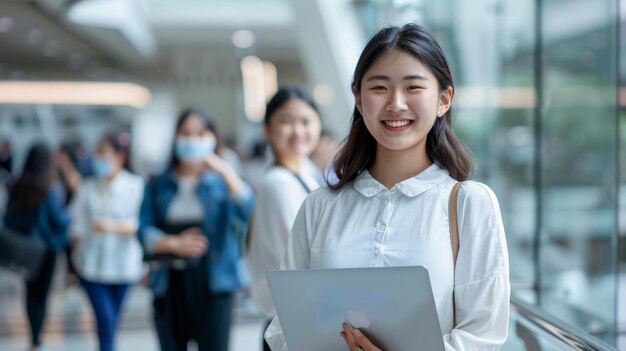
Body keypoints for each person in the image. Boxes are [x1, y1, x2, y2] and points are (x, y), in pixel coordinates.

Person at [265, 23, 510, 351]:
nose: (395, 104)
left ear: (444, 99)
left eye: (413, 87)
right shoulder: (320, 206)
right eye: (379, 88)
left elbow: (484, 334)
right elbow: (283, 327)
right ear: (359, 97)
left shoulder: (469, 203)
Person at [138, 108, 254, 351]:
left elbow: (248, 210)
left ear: (212, 139)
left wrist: (224, 169)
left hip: (215, 281)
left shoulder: (222, 181)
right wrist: (172, 243)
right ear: (175, 138)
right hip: (169, 280)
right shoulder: (159, 183)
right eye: (186, 134)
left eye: (200, 134)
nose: (192, 140)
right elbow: (142, 227)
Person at [246, 86, 322, 351]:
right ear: (267, 130)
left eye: (306, 121)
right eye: (286, 122)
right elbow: (300, 255)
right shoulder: (277, 183)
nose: (298, 131)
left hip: (300, 317)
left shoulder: (309, 175)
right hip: (288, 325)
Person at [70, 132, 144, 351]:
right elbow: (76, 224)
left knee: (112, 320)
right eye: (97, 152)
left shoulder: (135, 186)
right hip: (91, 266)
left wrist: (109, 225)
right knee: (105, 319)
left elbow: (142, 224)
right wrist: (74, 257)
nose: (98, 157)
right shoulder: (88, 187)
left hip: (124, 266)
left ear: (119, 156)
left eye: (103, 152)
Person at [4, 144, 71, 351]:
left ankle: (33, 339)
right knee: (42, 296)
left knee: (30, 293)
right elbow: (58, 220)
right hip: (46, 250)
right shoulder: (49, 188)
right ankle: (36, 340)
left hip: (25, 250)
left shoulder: (17, 186)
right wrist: (70, 216)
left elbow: (8, 220)